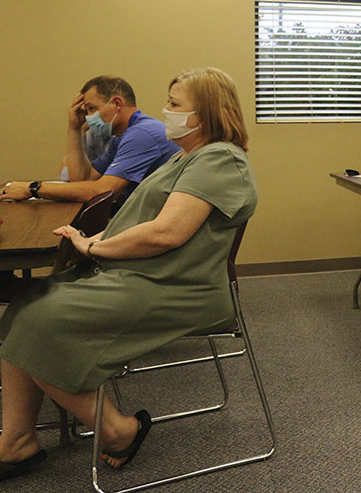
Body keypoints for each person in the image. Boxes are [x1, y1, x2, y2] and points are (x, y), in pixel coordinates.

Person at [0, 67, 257, 479]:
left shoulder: (220, 160)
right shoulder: (186, 156)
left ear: (204, 115)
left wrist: (95, 246)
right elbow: (140, 218)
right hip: (142, 273)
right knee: (25, 306)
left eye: (174, 105)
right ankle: (17, 442)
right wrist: (97, 238)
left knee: (38, 320)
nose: (165, 111)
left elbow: (166, 233)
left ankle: (120, 431)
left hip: (174, 287)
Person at [2, 76, 179, 208]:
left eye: (92, 108)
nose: (88, 117)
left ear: (116, 103)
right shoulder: (122, 137)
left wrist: (33, 188)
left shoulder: (142, 133)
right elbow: (81, 178)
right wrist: (74, 129)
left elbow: (102, 191)